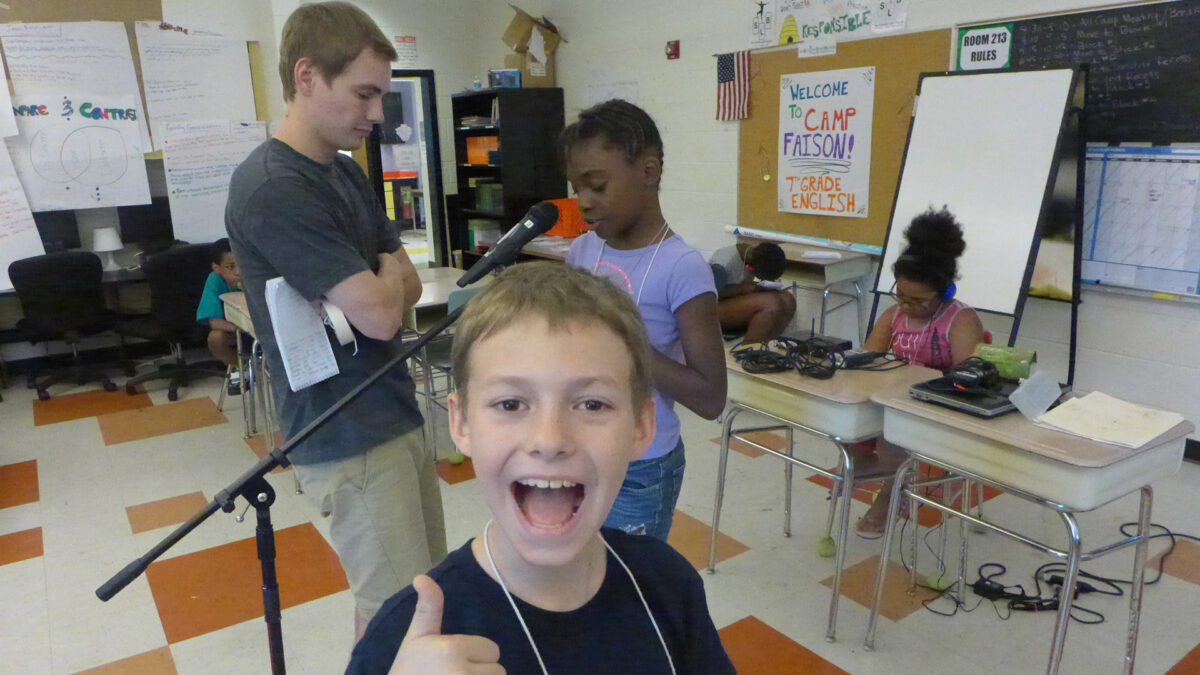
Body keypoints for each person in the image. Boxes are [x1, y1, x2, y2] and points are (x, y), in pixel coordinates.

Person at [346, 262, 735, 674]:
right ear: (461, 424)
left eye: (592, 404)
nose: (549, 440)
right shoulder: (407, 640)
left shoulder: (669, 584)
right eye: (510, 404)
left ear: (641, 426)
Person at [225, 1, 445, 640]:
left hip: (391, 408)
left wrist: (382, 283)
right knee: (402, 617)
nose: (377, 114)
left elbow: (407, 277)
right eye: (364, 94)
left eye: (381, 96)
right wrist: (382, 282)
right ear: (305, 76)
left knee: (416, 593)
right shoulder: (273, 187)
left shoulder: (343, 172)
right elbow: (381, 312)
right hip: (343, 431)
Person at [561, 99, 727, 542]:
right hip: (578, 448)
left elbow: (711, 398)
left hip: (641, 462)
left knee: (629, 588)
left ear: (649, 171)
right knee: (579, 576)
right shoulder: (582, 251)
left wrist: (622, 343)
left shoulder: (683, 267)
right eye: (577, 188)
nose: (584, 202)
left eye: (597, 185)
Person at [854, 206, 986, 536]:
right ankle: (880, 471)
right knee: (849, 417)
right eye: (901, 295)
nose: (907, 306)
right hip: (895, 401)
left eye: (919, 301)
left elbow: (967, 379)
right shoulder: (894, 315)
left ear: (945, 292)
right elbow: (868, 358)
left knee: (891, 429)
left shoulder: (960, 320)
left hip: (933, 410)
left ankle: (889, 493)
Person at [710, 241, 797, 343]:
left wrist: (758, 287)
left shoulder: (755, 255)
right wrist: (743, 289)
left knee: (788, 299)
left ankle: (771, 345)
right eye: (761, 277)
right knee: (770, 304)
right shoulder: (722, 264)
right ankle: (749, 351)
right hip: (712, 309)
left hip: (731, 301)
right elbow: (709, 295)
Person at [195, 239, 242, 381]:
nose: (238, 272)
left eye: (241, 264)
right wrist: (241, 329)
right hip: (237, 331)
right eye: (230, 267)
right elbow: (213, 321)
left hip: (263, 330)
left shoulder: (253, 275)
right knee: (216, 339)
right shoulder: (214, 280)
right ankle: (240, 367)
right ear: (217, 268)